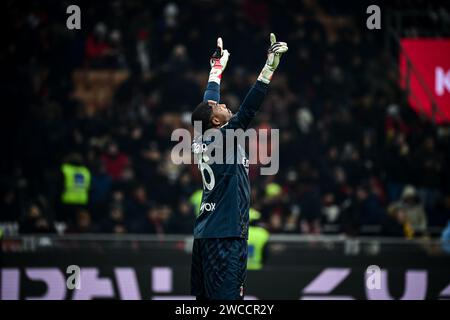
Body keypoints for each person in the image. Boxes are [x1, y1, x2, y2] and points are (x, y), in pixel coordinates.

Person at [189, 34, 288, 300]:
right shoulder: (223, 138)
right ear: (216, 122)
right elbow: (248, 110)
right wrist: (269, 68)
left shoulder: (203, 136)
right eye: (219, 107)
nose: (223, 104)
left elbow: (207, 101)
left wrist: (216, 69)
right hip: (226, 234)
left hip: (208, 233)